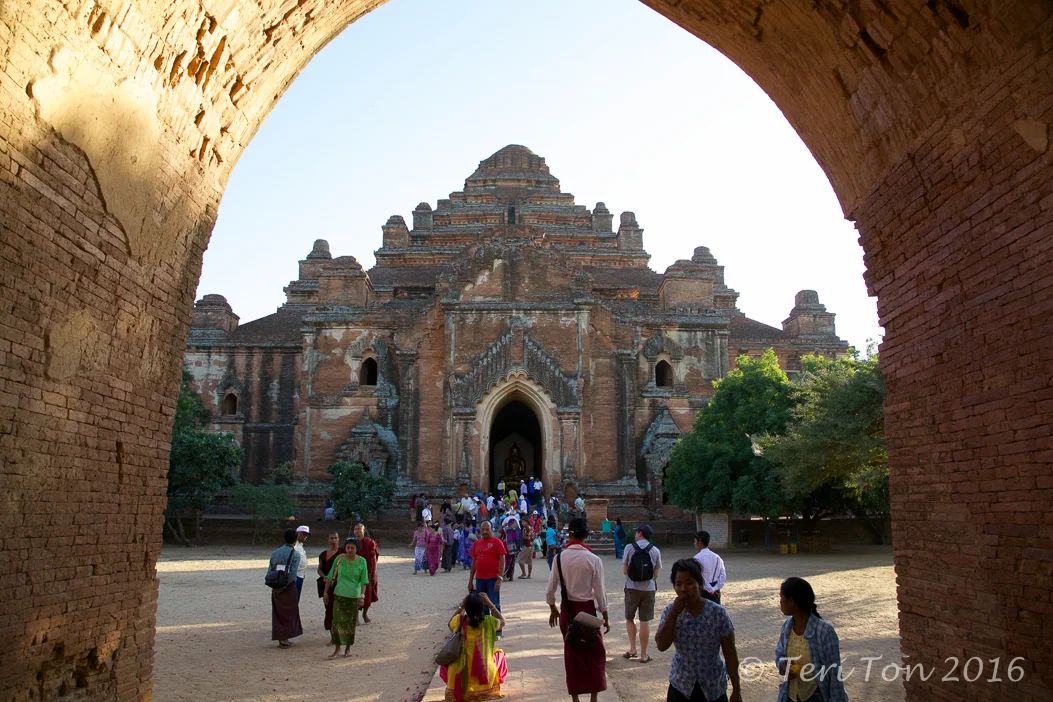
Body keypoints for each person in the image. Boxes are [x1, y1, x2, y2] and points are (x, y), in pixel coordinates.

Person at [656, 559, 742, 702]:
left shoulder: (717, 614)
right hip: (681, 686)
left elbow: (730, 654)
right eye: (678, 584)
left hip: (713, 688)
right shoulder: (670, 612)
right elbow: (661, 645)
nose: (683, 589)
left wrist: (736, 690)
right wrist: (674, 613)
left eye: (689, 583)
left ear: (700, 584)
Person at [545, 517, 610, 702]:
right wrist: (605, 615)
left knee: (572, 652)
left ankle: (575, 698)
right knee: (594, 652)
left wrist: (553, 609)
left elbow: (550, 590)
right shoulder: (593, 559)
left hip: (568, 610)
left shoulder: (559, 558)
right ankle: (594, 697)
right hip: (588, 610)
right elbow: (600, 592)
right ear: (587, 535)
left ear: (570, 534)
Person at [775, 577, 849, 702]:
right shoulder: (787, 627)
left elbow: (834, 677)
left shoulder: (824, 632)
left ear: (792, 601)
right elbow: (780, 653)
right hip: (790, 696)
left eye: (781, 597)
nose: (780, 602)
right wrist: (783, 665)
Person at [439, 592, 508, 701]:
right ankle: (485, 691)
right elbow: (503, 622)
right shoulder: (489, 621)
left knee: (446, 663)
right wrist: (490, 604)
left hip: (458, 672)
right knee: (499, 654)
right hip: (485, 672)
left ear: (466, 607)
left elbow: (449, 624)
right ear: (481, 608)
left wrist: (461, 606)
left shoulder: (458, 621)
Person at [621, 524, 662, 663]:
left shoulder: (629, 548)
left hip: (632, 588)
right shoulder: (655, 550)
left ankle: (633, 648)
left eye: (636, 532)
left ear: (640, 534)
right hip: (648, 589)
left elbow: (625, 571)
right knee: (644, 621)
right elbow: (655, 573)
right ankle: (644, 655)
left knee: (630, 618)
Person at [324, 537, 369, 659]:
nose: (349, 550)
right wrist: (325, 592)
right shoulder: (339, 559)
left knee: (350, 623)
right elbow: (330, 576)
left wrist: (362, 596)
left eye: (352, 548)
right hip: (339, 594)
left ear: (357, 549)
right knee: (336, 622)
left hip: (353, 596)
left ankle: (348, 648)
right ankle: (337, 648)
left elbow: (364, 581)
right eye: (347, 547)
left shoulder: (362, 562)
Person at [268, 528, 303, 648]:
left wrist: (275, 585)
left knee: (278, 612)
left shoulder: (275, 553)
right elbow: (293, 573)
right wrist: (285, 586)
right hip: (288, 587)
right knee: (289, 612)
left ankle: (281, 637)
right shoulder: (295, 554)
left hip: (276, 585)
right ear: (295, 540)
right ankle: (285, 638)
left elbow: (270, 570)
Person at [468, 521, 507, 622]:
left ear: (491, 530)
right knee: (482, 606)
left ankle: (497, 630)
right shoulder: (476, 544)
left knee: (494, 604)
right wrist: (470, 581)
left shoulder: (497, 542)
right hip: (480, 579)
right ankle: (485, 629)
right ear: (480, 530)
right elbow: (473, 565)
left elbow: (503, 561)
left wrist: (500, 578)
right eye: (483, 529)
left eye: (487, 529)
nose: (485, 531)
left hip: (493, 579)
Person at [354, 522, 379, 623]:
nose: (357, 531)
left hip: (368, 572)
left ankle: (365, 614)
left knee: (367, 595)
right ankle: (356, 617)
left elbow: (374, 559)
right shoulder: (352, 543)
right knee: (355, 594)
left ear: (364, 530)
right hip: (354, 572)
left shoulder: (370, 542)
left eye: (359, 529)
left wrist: (374, 574)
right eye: (355, 529)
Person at [317, 532, 343, 632]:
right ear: (328, 540)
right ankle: (332, 631)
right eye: (331, 538)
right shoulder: (323, 554)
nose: (334, 540)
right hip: (327, 583)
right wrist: (324, 577)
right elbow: (319, 569)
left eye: (336, 538)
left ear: (338, 539)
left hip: (340, 584)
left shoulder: (343, 553)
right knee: (328, 607)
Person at [693, 530, 727, 604]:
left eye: (695, 541)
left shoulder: (697, 558)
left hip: (703, 591)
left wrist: (709, 589)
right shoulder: (717, 557)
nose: (694, 543)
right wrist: (715, 588)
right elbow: (723, 576)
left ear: (700, 543)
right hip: (715, 592)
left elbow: (699, 576)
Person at [500, 517, 521, 581]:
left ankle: (509, 576)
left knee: (510, 561)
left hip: (510, 547)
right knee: (508, 561)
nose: (516, 524)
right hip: (508, 548)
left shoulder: (508, 529)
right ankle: (504, 576)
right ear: (511, 523)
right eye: (514, 523)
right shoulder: (510, 529)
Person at [293, 525, 310, 599]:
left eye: (306, 534)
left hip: (301, 575)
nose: (305, 536)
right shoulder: (294, 545)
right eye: (303, 534)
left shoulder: (300, 545)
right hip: (295, 575)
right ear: (297, 533)